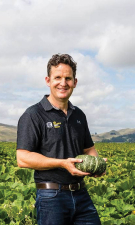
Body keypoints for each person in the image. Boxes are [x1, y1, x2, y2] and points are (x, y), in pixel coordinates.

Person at [16, 54, 105, 225]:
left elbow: (88, 149)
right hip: (51, 196)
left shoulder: (79, 114)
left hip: (81, 194)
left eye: (68, 78)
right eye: (58, 77)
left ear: (75, 82)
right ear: (48, 80)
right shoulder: (33, 115)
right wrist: (62, 163)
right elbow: (23, 158)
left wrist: (97, 164)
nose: (63, 83)